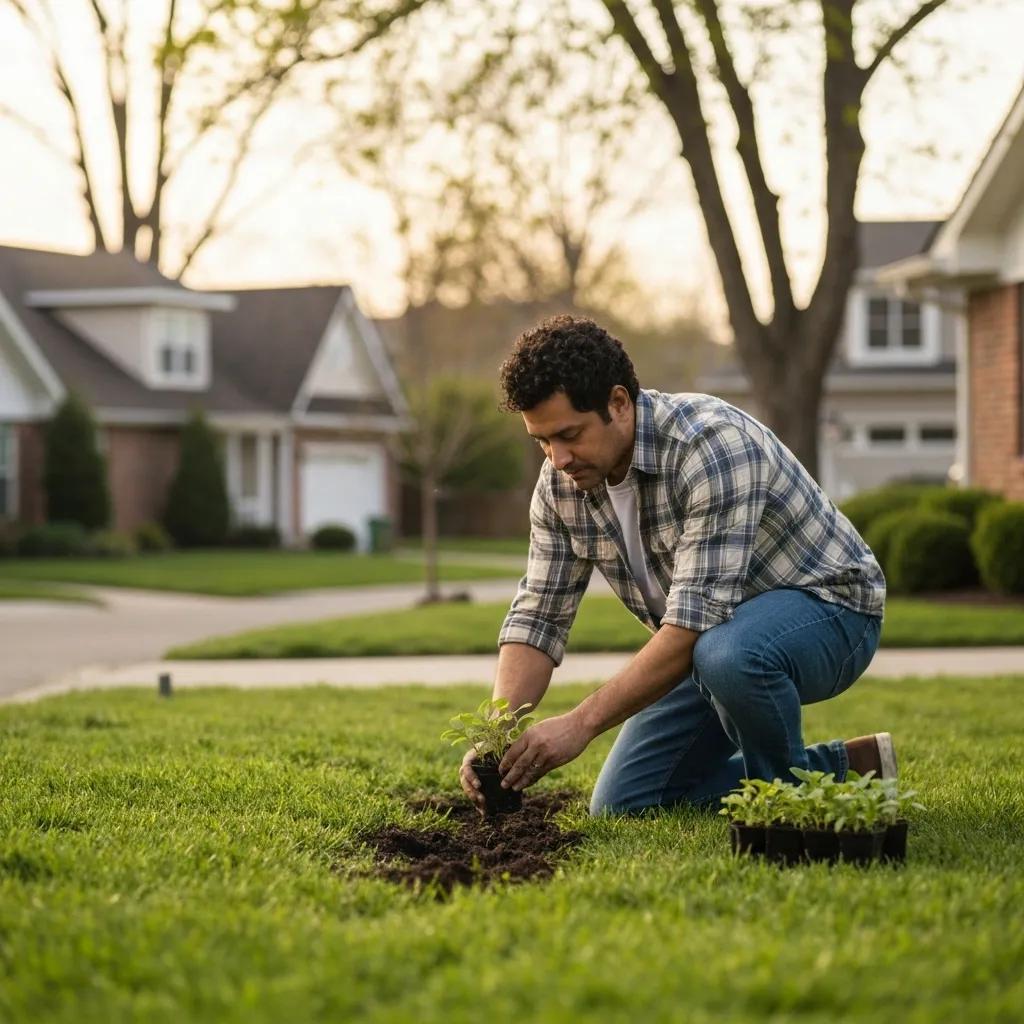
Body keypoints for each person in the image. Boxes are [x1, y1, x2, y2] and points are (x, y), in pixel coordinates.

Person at [459, 314, 894, 816]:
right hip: (714, 638)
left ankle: (787, 809)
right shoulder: (561, 487)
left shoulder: (711, 447)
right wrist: (497, 731)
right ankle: (851, 769)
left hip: (831, 611)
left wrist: (580, 723)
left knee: (728, 653)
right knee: (626, 803)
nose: (557, 458)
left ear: (618, 403)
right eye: (542, 441)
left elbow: (691, 625)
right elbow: (538, 616)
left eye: (569, 434)